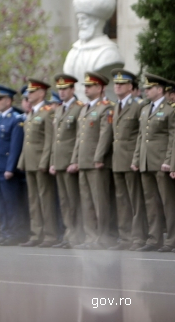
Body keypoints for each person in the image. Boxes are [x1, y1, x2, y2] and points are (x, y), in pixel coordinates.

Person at [68, 72, 115, 250]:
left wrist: (99, 157)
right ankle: (91, 236)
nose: (86, 89)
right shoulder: (85, 109)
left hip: (96, 162)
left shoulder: (106, 108)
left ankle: (102, 237)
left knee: (99, 201)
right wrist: (75, 160)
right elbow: (80, 138)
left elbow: (105, 135)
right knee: (86, 202)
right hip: (84, 162)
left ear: (100, 88)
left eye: (90, 86)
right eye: (85, 86)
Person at [132, 74, 175, 252]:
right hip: (146, 162)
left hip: (161, 163)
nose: (146, 91)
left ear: (159, 90)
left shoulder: (170, 110)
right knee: (151, 202)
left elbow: (173, 138)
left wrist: (170, 162)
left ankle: (171, 240)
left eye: (149, 88)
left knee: (168, 202)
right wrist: (136, 159)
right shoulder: (144, 109)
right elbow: (141, 137)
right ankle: (154, 238)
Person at [109, 69, 147, 251]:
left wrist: (137, 158)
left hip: (131, 159)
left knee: (135, 200)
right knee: (121, 200)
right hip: (117, 160)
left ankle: (138, 237)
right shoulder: (116, 106)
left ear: (131, 87)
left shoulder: (138, 105)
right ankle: (125, 237)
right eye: (116, 83)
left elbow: (142, 134)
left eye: (122, 84)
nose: (117, 86)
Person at [18, 79, 59, 248]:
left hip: (40, 161)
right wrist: (22, 161)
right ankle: (36, 233)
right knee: (33, 199)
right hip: (30, 162)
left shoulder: (47, 112)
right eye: (29, 92)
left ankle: (50, 235)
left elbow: (50, 140)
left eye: (33, 91)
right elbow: (27, 141)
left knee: (45, 199)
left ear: (42, 93)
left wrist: (45, 161)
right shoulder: (32, 113)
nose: (29, 94)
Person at [0, 85, 26, 246]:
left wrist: (10, 168)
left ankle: (15, 233)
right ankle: (5, 232)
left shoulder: (15, 119)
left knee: (11, 203)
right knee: (0, 203)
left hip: (6, 168)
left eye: (0, 99)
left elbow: (15, 147)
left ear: (9, 100)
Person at [48, 74, 84, 249]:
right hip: (60, 161)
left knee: (73, 200)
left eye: (64, 89)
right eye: (59, 89)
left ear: (72, 90)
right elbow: (56, 139)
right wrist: (53, 162)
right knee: (64, 201)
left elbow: (79, 137)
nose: (61, 92)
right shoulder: (59, 109)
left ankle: (77, 234)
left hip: (70, 161)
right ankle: (69, 233)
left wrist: (75, 160)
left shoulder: (79, 108)